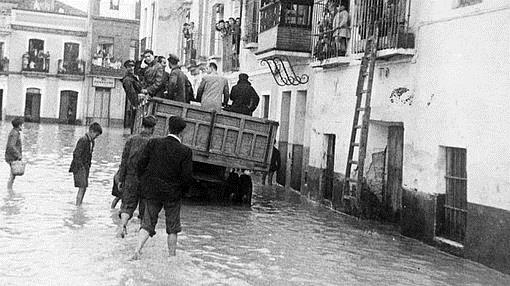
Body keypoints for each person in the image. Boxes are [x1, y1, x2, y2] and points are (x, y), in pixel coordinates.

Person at [132, 116, 193, 260]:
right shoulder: (185, 151)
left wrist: (145, 182)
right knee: (173, 227)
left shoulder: (154, 143)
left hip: (153, 191)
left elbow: (141, 164)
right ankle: (171, 257)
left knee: (147, 223)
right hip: (173, 194)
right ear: (182, 133)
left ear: (168, 128)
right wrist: (182, 192)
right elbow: (187, 177)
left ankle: (137, 249)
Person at [116, 115, 157, 238]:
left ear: (141, 125)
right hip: (146, 180)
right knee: (144, 210)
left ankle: (122, 226)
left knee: (127, 206)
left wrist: (121, 178)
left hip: (130, 178)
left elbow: (124, 161)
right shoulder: (154, 142)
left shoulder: (131, 140)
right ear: (153, 128)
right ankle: (140, 235)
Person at [69, 122, 103, 206]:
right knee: (82, 187)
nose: (96, 137)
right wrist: (81, 167)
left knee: (84, 187)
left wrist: (88, 166)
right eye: (96, 134)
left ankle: (80, 204)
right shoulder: (83, 140)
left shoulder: (91, 142)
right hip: (79, 167)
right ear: (91, 131)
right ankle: (77, 206)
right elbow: (76, 154)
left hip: (85, 167)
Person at [122, 60, 143, 133]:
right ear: (126, 68)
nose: (131, 68)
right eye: (129, 67)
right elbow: (131, 93)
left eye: (132, 66)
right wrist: (135, 103)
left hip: (138, 103)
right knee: (135, 126)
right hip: (135, 104)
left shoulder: (134, 77)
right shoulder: (127, 79)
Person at [5, 117, 24, 191]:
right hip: (12, 157)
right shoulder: (15, 134)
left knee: (13, 175)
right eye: (22, 125)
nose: (22, 126)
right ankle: (9, 190)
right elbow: (11, 146)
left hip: (11, 156)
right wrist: (18, 155)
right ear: (19, 125)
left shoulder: (14, 132)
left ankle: (10, 191)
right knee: (12, 175)